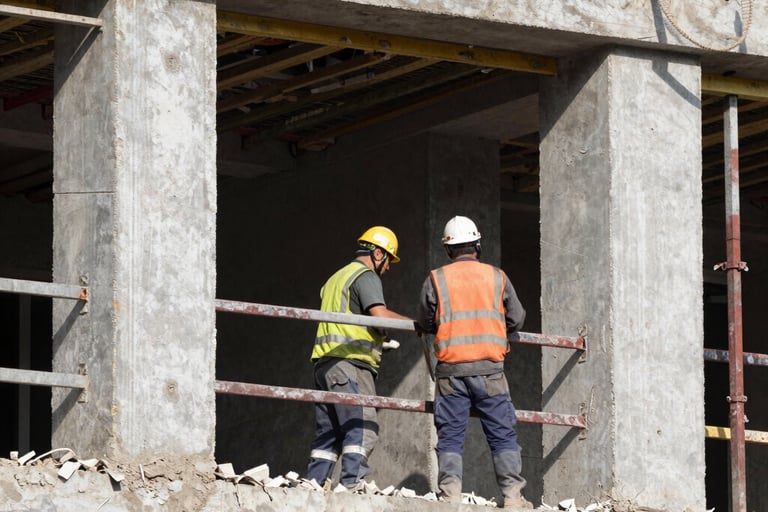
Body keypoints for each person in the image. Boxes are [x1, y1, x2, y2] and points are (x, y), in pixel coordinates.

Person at [415, 215, 532, 509]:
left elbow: (425, 320)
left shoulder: (436, 278)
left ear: (448, 250)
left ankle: (450, 496)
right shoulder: (497, 277)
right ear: (477, 245)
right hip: (490, 373)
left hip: (451, 374)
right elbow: (516, 319)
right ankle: (512, 497)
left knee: (451, 436)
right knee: (502, 433)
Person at [306, 225, 413, 490]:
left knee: (329, 432)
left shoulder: (335, 278)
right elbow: (378, 315)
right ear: (378, 253)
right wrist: (416, 324)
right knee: (362, 424)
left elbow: (350, 321)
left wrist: (379, 341)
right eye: (389, 260)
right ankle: (353, 483)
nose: (388, 268)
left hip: (325, 365)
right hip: (349, 364)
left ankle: (315, 482)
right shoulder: (366, 276)